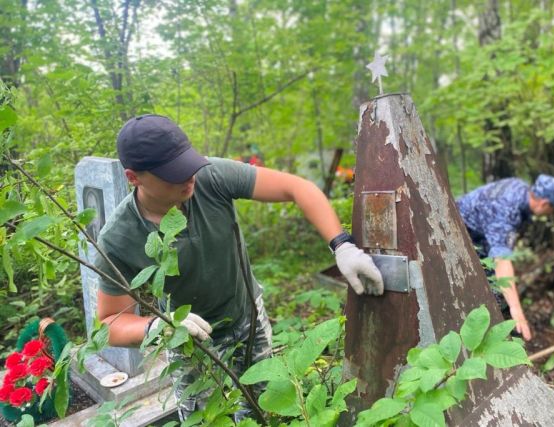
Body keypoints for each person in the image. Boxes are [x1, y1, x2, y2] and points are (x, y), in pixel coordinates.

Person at [94, 114, 383, 421]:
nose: (188, 177)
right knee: (206, 420)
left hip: (248, 318)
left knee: (267, 410)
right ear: (133, 177)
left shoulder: (209, 177)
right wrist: (157, 326)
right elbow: (110, 323)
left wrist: (342, 244)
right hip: (190, 337)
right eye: (172, 173)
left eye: (188, 164)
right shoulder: (119, 238)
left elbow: (297, 188)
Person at [456, 174, 554, 341]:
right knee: (487, 293)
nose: (551, 213)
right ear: (543, 203)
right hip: (459, 236)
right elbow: (501, 260)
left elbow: (503, 242)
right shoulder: (506, 207)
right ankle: (480, 340)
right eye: (552, 209)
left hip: (480, 237)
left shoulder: (520, 189)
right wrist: (516, 310)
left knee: (496, 289)